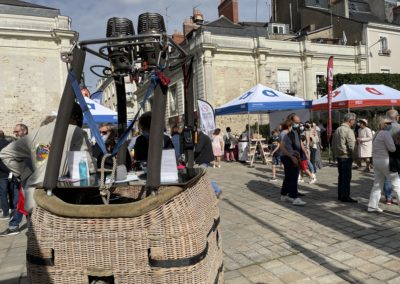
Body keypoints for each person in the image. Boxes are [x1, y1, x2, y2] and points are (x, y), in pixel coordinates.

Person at [0, 102, 95, 236]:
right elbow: (83, 171)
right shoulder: (75, 131)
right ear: (74, 117)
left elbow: (6, 153)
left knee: (38, 243)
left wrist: (26, 175)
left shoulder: (38, 132)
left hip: (34, 198)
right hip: (60, 201)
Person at [367, 117, 400, 212]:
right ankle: (372, 206)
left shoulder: (377, 134)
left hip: (376, 161)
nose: (390, 125)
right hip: (385, 161)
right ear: (384, 125)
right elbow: (392, 149)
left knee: (377, 184)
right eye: (389, 123)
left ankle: (372, 206)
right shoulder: (386, 134)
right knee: (397, 185)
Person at [279, 117, 306, 206]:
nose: (298, 124)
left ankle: (283, 195)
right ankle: (294, 197)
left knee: (288, 177)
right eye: (296, 123)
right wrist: (292, 157)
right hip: (289, 158)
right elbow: (282, 147)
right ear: (290, 125)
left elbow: (291, 146)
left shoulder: (289, 133)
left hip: (291, 157)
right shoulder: (285, 134)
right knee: (293, 177)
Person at [332, 112, 357, 203]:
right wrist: (355, 157)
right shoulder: (348, 130)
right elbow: (351, 145)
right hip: (346, 156)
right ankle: (345, 196)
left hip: (339, 156)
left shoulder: (338, 129)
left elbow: (333, 143)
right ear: (350, 120)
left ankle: (340, 195)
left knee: (341, 176)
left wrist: (334, 154)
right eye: (354, 120)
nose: (354, 122)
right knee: (346, 177)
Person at [383, 109, 400, 204]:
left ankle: (388, 198)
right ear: (396, 117)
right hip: (398, 154)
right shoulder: (399, 127)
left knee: (387, 176)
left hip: (387, 154)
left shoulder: (384, 128)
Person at [0, 130, 11, 220]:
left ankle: (6, 212)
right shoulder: (9, 143)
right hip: (10, 170)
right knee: (10, 190)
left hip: (2, 172)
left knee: (3, 193)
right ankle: (11, 208)